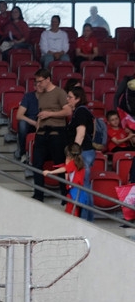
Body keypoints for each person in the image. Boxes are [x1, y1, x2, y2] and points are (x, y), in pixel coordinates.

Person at [30, 69, 72, 202]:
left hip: (56, 133)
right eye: (36, 81)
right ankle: (38, 194)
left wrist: (50, 114)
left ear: (48, 79)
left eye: (40, 81)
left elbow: (68, 111)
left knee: (59, 164)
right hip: (42, 133)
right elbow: (41, 113)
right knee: (37, 164)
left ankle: (65, 195)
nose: (38, 84)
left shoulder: (59, 92)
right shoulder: (41, 94)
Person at [65, 85, 96, 220]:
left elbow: (81, 133)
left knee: (83, 185)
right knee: (83, 185)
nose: (67, 99)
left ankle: (86, 219)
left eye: (70, 97)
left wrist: (74, 153)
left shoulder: (81, 111)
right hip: (85, 152)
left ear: (77, 99)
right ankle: (86, 218)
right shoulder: (79, 111)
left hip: (83, 152)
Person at [43, 144, 92, 219]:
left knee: (71, 212)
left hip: (74, 191)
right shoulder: (80, 163)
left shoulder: (73, 163)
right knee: (74, 211)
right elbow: (67, 176)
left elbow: (64, 169)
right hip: (78, 190)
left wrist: (50, 172)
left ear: (69, 155)